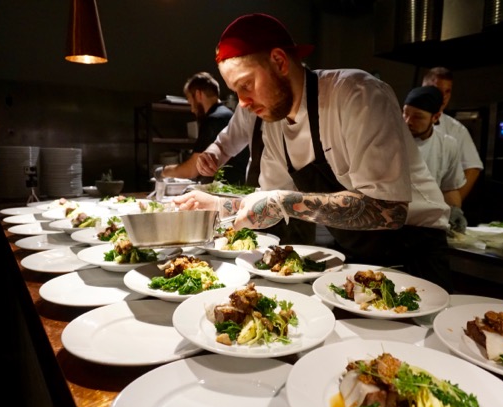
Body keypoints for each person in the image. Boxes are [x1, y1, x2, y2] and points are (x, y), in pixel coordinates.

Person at [174, 13, 453, 292]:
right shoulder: (274, 123)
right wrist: (218, 206)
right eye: (236, 91)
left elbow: (390, 211)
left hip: (415, 250)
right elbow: (269, 204)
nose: (243, 103)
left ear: (279, 61)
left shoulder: (357, 94)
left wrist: (284, 202)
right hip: (356, 256)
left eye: (246, 85)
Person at [154, 72, 249, 185]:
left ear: (198, 94)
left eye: (190, 101)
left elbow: (192, 170)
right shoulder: (227, 114)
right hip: (239, 186)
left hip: (229, 189)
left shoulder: (214, 119)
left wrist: (163, 171)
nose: (192, 109)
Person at [402, 86, 468, 233]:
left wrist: (454, 211)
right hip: (393, 223)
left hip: (427, 227)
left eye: (417, 116)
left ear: (436, 117)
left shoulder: (448, 145)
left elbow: (449, 188)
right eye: (405, 113)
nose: (408, 121)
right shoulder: (389, 140)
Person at [422, 67, 483, 202]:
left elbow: (472, 168)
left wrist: (450, 207)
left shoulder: (455, 131)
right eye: (438, 90)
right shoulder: (400, 124)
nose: (443, 97)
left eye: (447, 91)